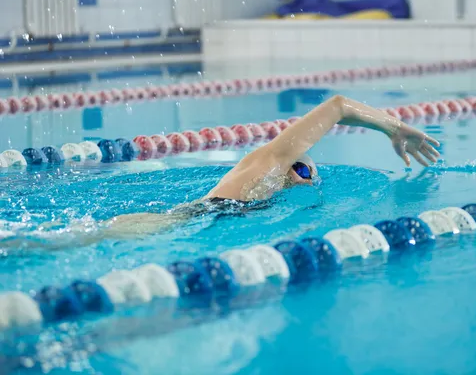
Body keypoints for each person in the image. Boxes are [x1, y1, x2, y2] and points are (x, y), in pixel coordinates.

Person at [3, 95, 440, 250]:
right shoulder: (269, 160)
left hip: (207, 219)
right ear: (291, 158)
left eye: (311, 171)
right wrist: (394, 127)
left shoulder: (272, 188)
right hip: (188, 216)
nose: (307, 175)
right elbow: (340, 105)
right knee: (74, 241)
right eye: (304, 165)